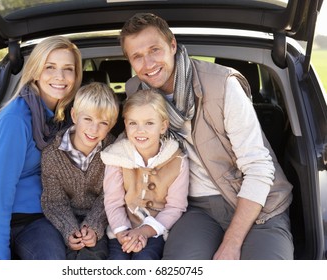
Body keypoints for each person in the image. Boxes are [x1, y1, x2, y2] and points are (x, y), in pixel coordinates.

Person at [119, 13, 294, 260]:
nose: (148, 63)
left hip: (259, 203)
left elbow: (258, 167)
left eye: (154, 50)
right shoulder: (136, 91)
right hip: (196, 208)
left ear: (172, 45)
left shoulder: (222, 84)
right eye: (137, 56)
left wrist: (231, 243)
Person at [0, 36, 83, 260]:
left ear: (76, 75)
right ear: (35, 71)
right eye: (50, 67)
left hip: (33, 218)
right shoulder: (15, 120)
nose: (60, 77)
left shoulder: (60, 119)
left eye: (68, 69)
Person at [100, 89, 189, 260]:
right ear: (125, 124)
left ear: (163, 126)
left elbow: (175, 207)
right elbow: (113, 202)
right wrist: (123, 233)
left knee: (145, 260)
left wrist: (144, 232)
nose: (140, 130)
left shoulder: (177, 161)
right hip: (121, 229)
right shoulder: (116, 157)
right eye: (133, 123)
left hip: (155, 230)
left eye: (149, 123)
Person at [41, 82, 119, 260]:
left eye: (103, 123)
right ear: (74, 115)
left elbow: (111, 195)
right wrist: (69, 230)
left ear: (112, 124)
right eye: (88, 119)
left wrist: (93, 225)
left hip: (100, 218)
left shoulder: (115, 151)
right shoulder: (52, 154)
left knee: (94, 255)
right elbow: (54, 201)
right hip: (62, 219)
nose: (94, 129)